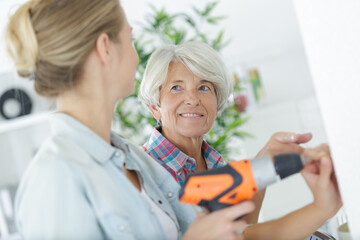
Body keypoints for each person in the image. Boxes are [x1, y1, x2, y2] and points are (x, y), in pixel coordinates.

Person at [5, 1, 255, 239]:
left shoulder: (134, 161)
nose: (137, 58)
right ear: (105, 48)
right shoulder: (56, 176)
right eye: (130, 40)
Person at [138, 41, 343, 239]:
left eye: (204, 88)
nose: (192, 99)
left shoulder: (215, 164)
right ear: (155, 107)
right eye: (176, 88)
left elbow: (243, 228)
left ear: (217, 106)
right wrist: (321, 209)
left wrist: (265, 160)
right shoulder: (141, 175)